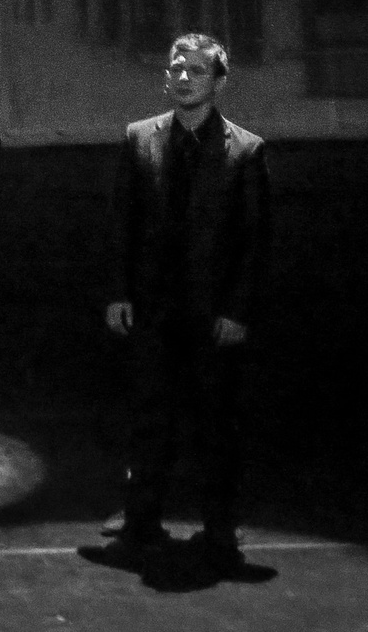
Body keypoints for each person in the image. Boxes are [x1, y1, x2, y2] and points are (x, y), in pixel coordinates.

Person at [95, 33, 268, 574]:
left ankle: (219, 525)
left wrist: (237, 310)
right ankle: (141, 520)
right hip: (153, 307)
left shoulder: (246, 150)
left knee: (216, 423)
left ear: (218, 81)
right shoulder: (139, 138)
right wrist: (118, 291)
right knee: (150, 419)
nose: (184, 77)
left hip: (212, 311)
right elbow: (122, 222)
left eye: (196, 70)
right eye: (177, 68)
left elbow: (254, 242)